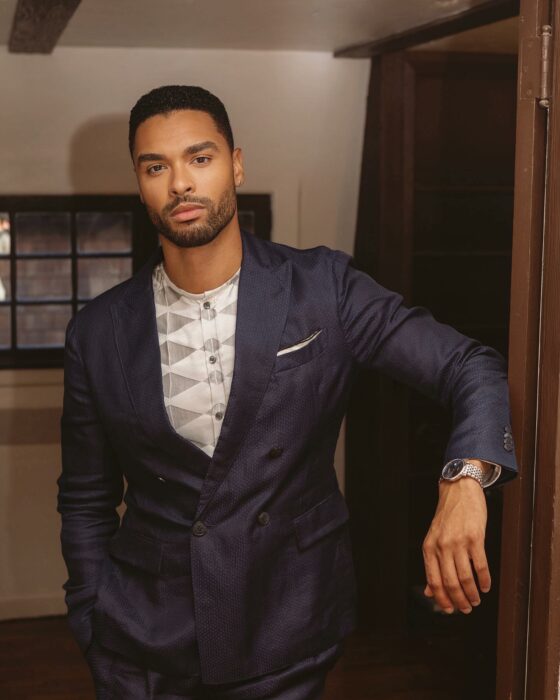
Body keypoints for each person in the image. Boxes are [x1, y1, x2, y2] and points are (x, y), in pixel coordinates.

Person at [56, 85, 518, 699]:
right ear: (139, 182)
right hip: (142, 639)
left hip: (284, 625)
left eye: (200, 158)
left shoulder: (323, 287)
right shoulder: (97, 331)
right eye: (156, 166)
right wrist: (92, 616)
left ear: (236, 163)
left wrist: (465, 479)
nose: (180, 185)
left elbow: (469, 364)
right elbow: (85, 500)